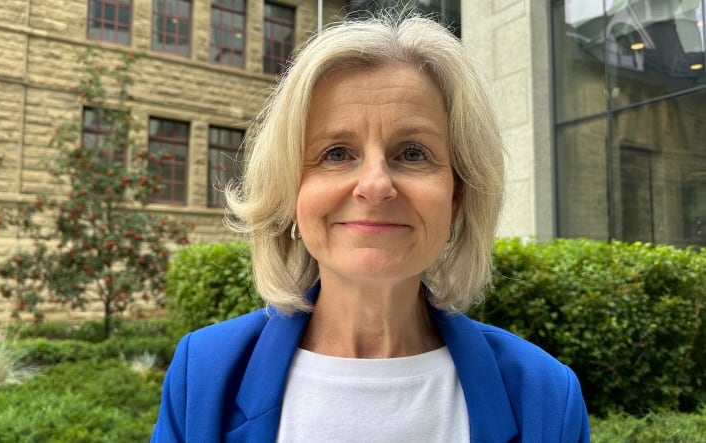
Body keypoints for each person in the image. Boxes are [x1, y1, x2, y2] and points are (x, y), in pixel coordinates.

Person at [151, 14, 589, 442]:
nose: (376, 185)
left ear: (457, 196)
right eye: (337, 153)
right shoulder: (204, 377)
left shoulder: (545, 395)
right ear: (290, 193)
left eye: (413, 153)